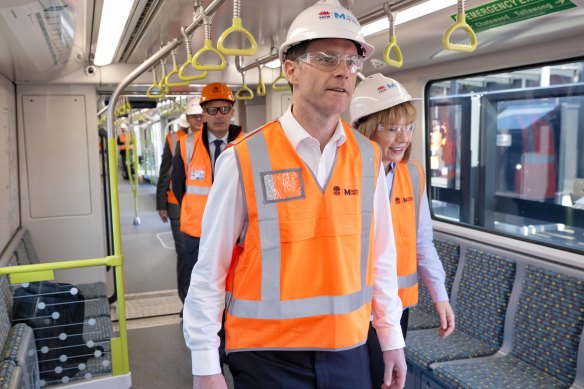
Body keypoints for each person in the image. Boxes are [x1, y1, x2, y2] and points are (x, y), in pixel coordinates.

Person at [182, 1, 406, 388]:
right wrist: (205, 363)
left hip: (348, 347)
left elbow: (381, 257)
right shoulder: (244, 159)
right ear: (291, 69)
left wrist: (390, 337)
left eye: (352, 62)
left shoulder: (368, 157)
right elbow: (209, 270)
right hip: (266, 354)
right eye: (325, 58)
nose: (343, 71)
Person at [350, 73, 456, 388]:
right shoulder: (344, 175)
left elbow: (422, 242)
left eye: (408, 128)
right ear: (366, 128)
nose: (404, 138)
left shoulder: (414, 175)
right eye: (393, 128)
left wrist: (440, 295)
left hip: (397, 305)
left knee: (387, 381)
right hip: (353, 307)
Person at [172, 85, 243, 314]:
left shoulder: (249, 142)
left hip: (237, 231)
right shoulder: (186, 145)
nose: (219, 115)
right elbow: (179, 185)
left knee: (233, 281)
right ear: (203, 115)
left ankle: (227, 323)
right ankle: (198, 322)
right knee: (198, 281)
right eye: (212, 110)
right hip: (197, 230)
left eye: (224, 109)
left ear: (232, 111)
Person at [156, 111, 195, 307]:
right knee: (184, 252)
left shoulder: (208, 137)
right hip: (176, 204)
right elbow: (165, 172)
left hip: (200, 207)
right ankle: (186, 301)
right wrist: (161, 204)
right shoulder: (173, 139)